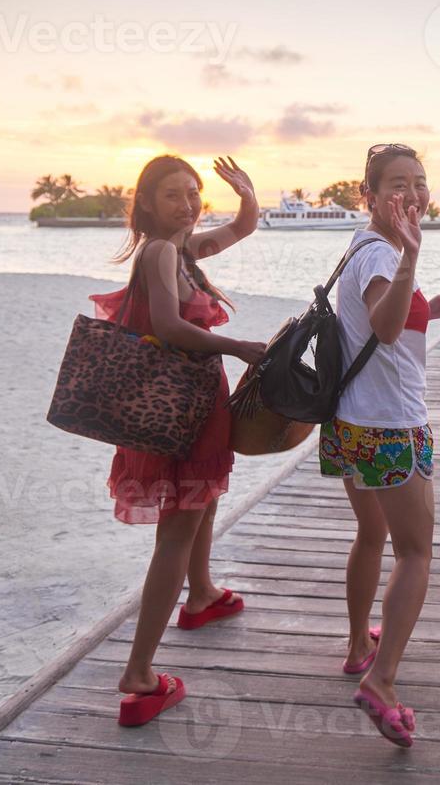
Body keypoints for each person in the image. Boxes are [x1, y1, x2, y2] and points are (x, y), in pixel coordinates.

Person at [90, 155, 267, 728]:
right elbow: (167, 326)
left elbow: (241, 229)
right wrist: (238, 346)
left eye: (193, 193)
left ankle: (204, 594)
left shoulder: (183, 249)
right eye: (173, 195)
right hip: (178, 403)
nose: (188, 204)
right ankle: (139, 674)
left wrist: (244, 194)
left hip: (194, 401)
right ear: (145, 205)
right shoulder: (162, 251)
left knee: (204, 495)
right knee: (177, 529)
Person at [320, 143, 440, 748]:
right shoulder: (385, 252)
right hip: (390, 425)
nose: (413, 193)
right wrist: (413, 260)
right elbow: (382, 324)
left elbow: (385, 321)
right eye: (397, 183)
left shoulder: (363, 243)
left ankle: (358, 645)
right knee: (416, 553)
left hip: (351, 420)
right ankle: (383, 679)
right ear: (369, 195)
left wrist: (433, 303)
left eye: (420, 182)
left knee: (372, 535)